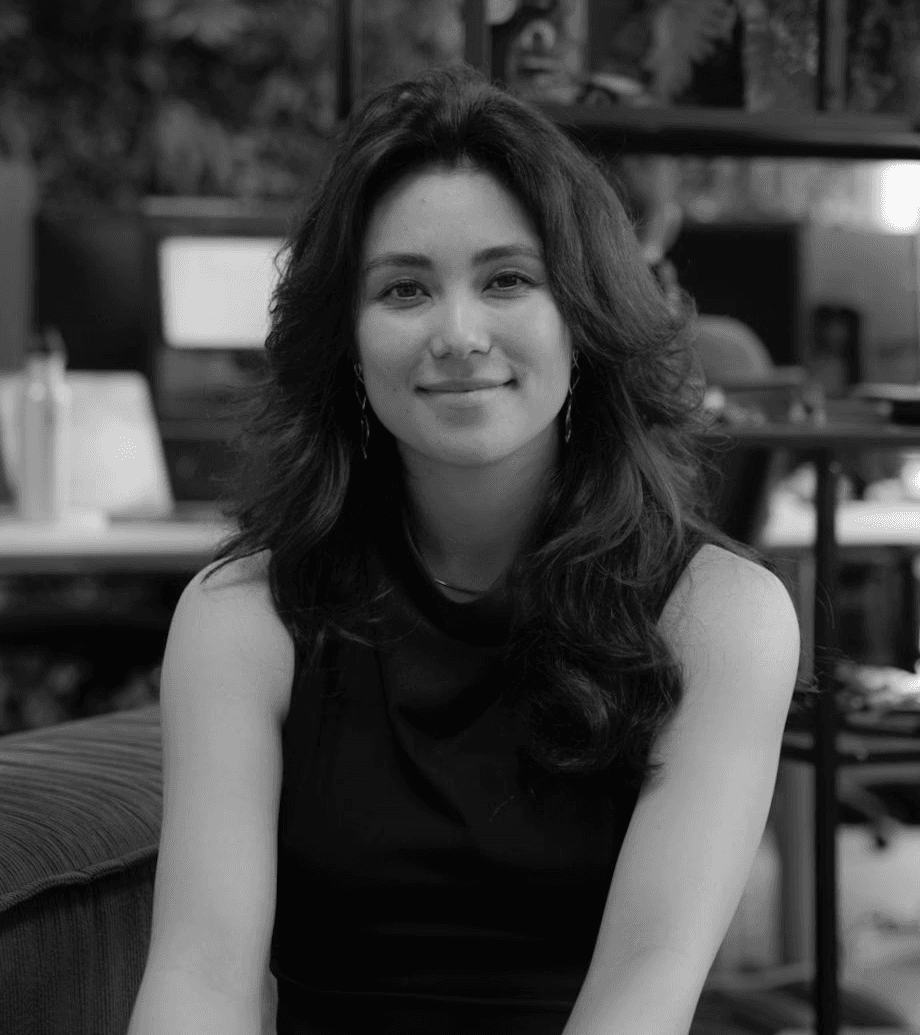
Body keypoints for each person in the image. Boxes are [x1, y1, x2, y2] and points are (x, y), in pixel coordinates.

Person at [128, 62, 809, 1035]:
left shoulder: (718, 617)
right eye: (404, 289)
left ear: (583, 319)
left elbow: (645, 986)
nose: (457, 333)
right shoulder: (242, 617)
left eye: (507, 280)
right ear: (347, 341)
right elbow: (201, 979)